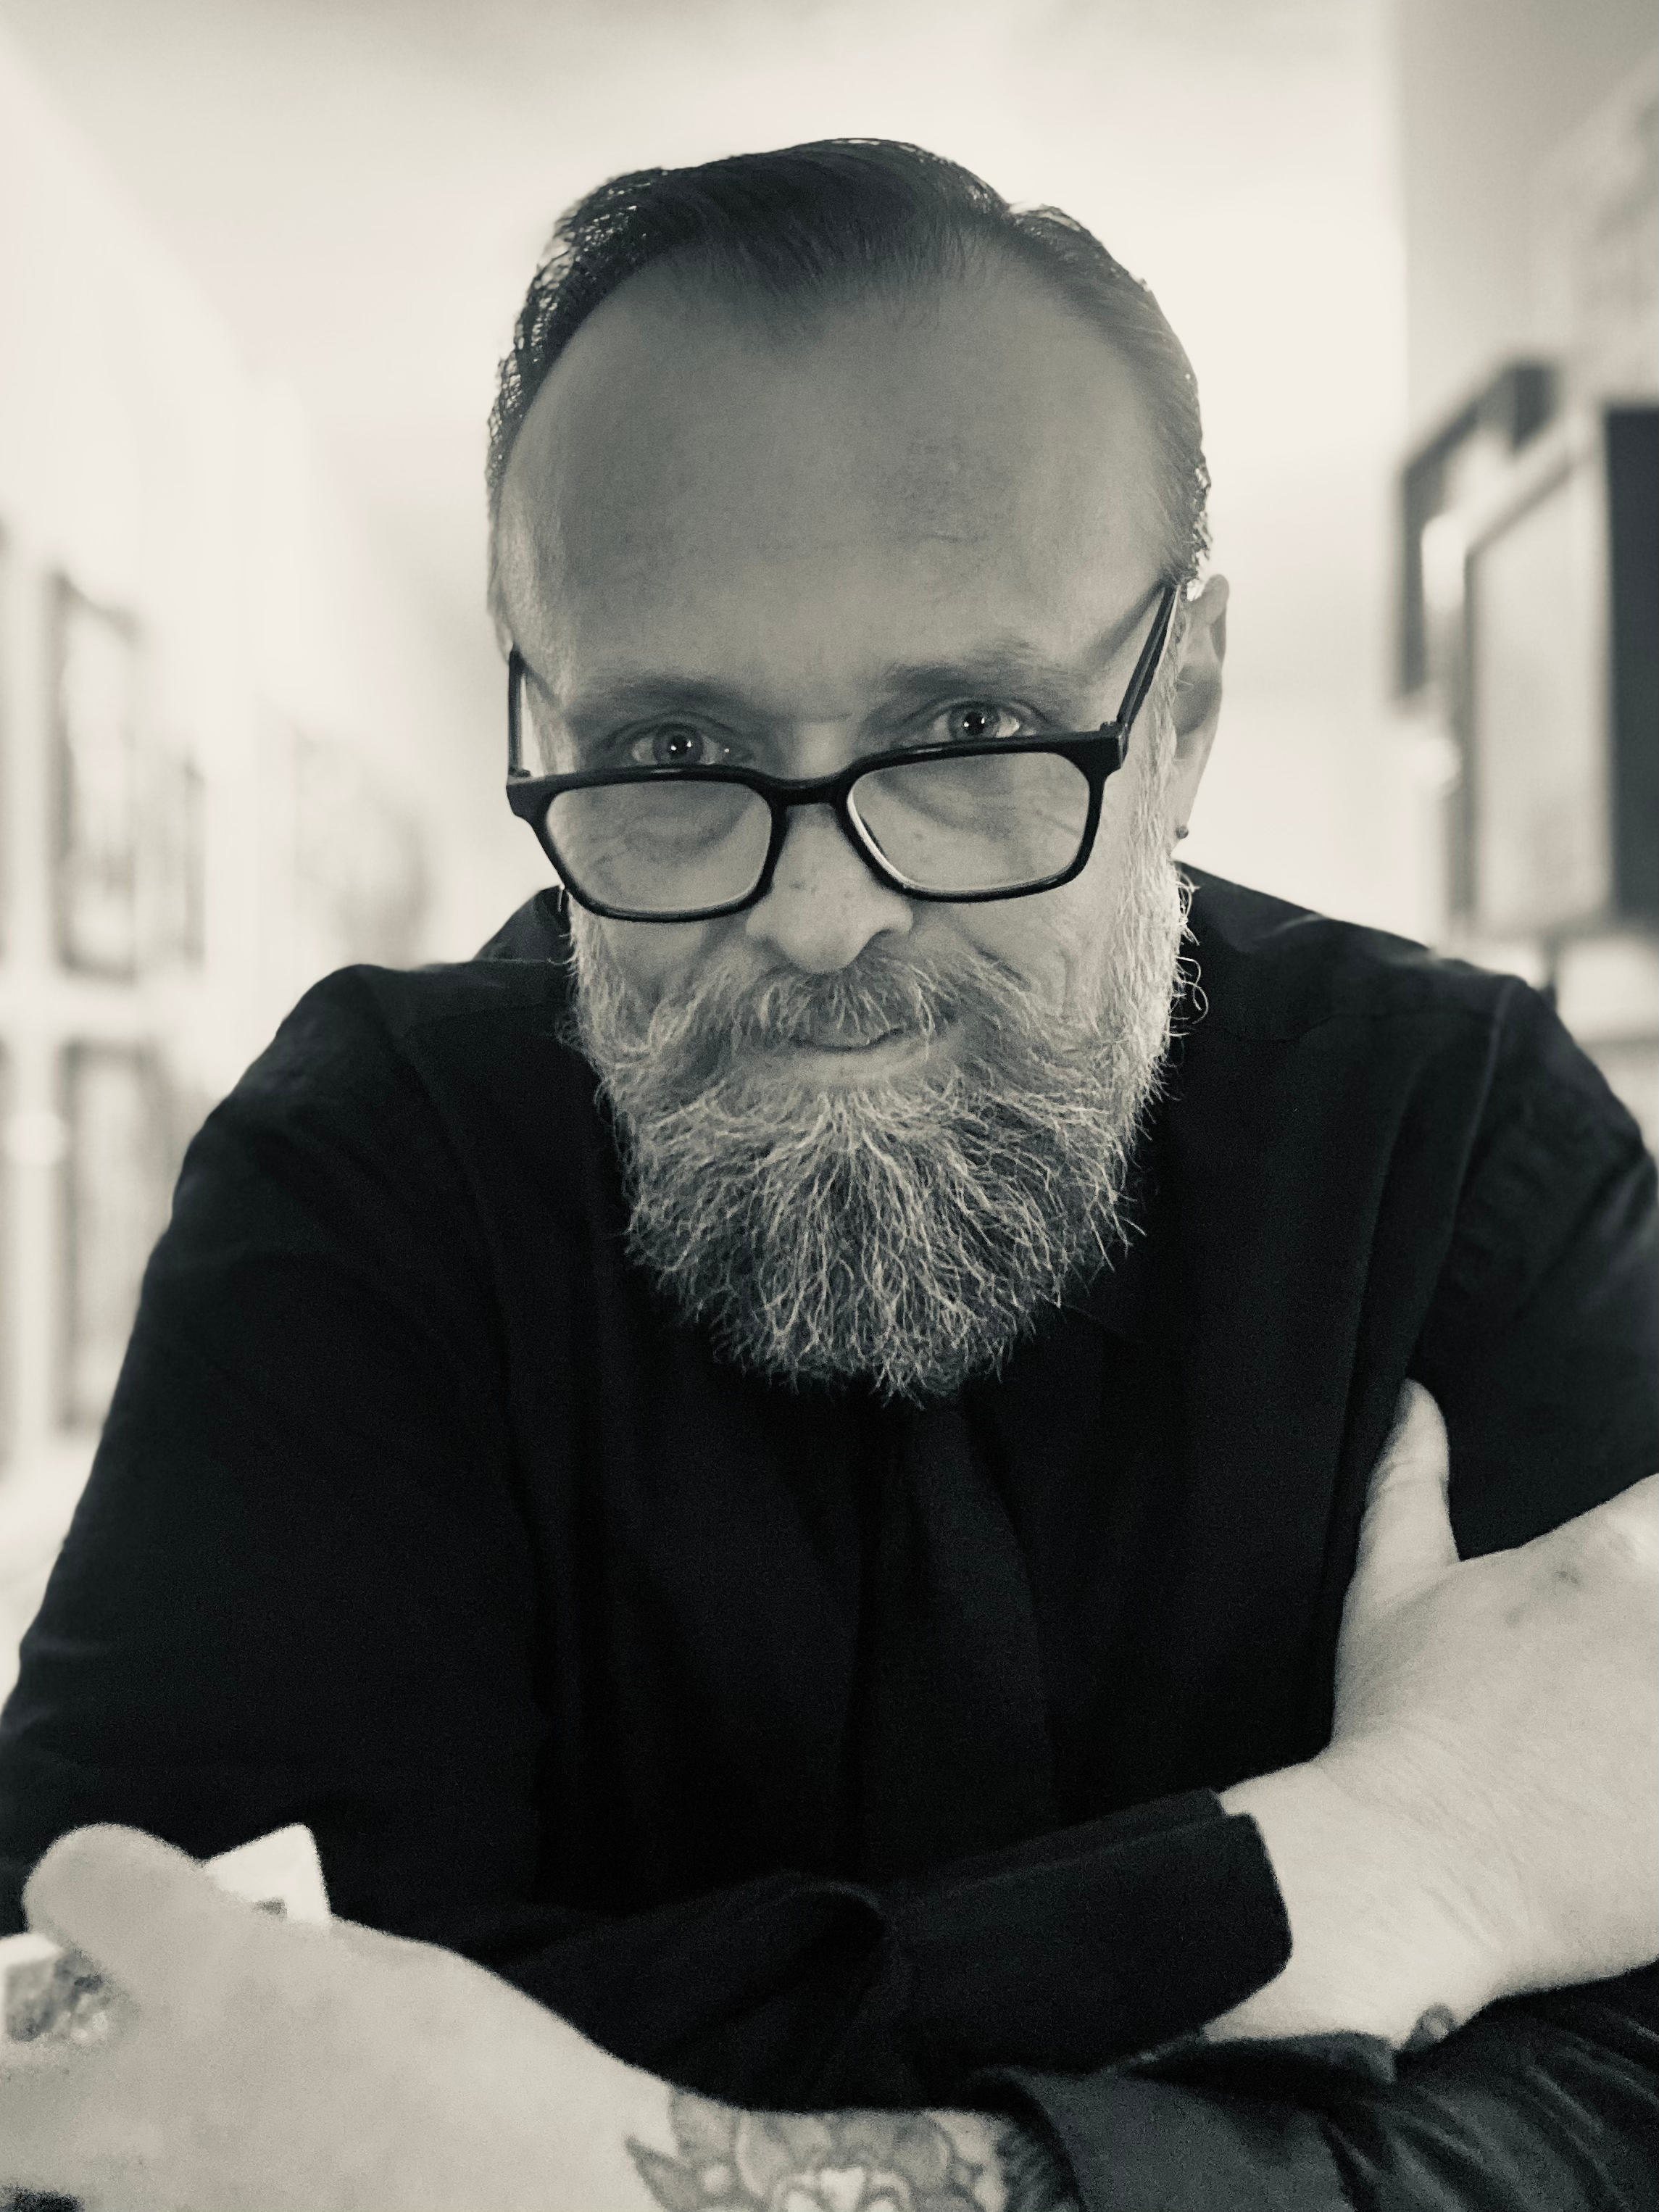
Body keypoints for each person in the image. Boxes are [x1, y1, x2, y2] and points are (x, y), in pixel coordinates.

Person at [0, 142, 1655, 2212]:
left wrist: (563, 2152)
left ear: (1183, 717)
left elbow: (1625, 2099)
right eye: (676, 759)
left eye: (963, 731)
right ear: (542, 716)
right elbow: (121, 2078)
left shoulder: (1453, 1137)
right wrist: (1365, 1867)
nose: (820, 911)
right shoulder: (373, 1171)